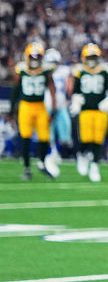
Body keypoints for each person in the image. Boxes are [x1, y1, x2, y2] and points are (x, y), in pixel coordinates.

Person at [10, 42, 59, 180]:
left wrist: (53, 109)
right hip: (26, 106)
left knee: (44, 137)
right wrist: (12, 107)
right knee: (25, 137)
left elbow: (52, 89)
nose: (35, 60)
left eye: (38, 57)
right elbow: (16, 89)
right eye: (32, 57)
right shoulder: (21, 69)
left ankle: (42, 163)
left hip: (40, 106)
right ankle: (26, 168)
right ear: (27, 57)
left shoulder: (46, 70)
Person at [70, 43, 108, 182]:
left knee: (98, 139)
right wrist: (76, 101)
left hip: (101, 110)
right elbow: (75, 91)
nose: (91, 60)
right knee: (85, 139)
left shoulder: (105, 70)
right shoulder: (79, 71)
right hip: (86, 110)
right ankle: (83, 155)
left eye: (94, 57)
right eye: (89, 57)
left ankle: (95, 166)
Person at [45, 48, 72, 159]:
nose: (53, 64)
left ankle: (59, 151)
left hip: (61, 105)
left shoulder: (64, 71)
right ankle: (52, 152)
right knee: (48, 132)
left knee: (65, 130)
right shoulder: (44, 71)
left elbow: (70, 85)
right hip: (47, 104)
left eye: (55, 62)